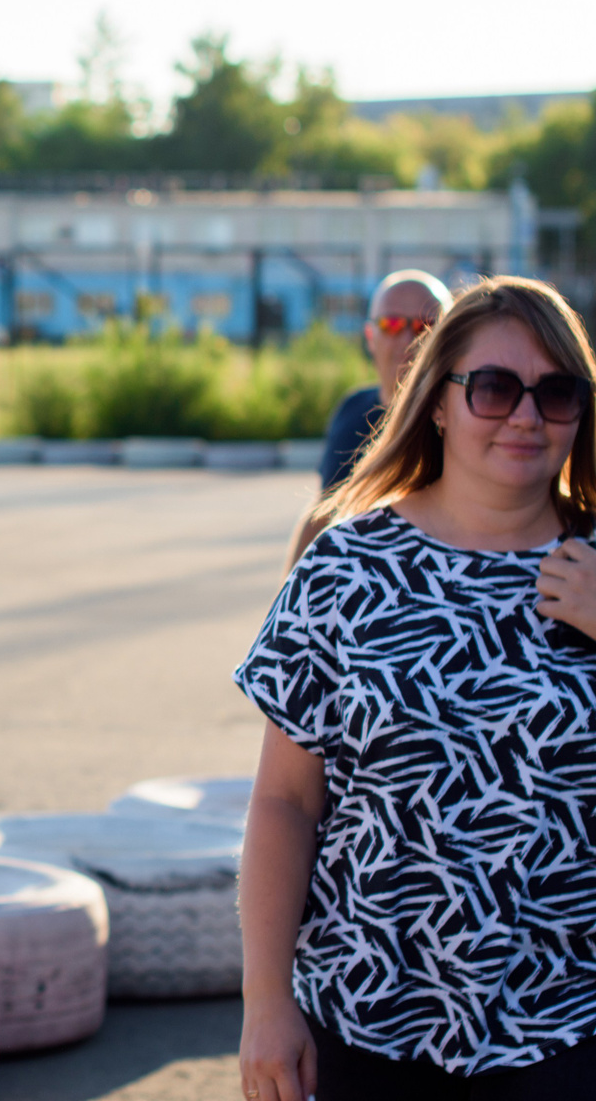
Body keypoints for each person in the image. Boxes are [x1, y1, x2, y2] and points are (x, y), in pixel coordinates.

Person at [234, 276, 596, 1101]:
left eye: (557, 392)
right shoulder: (346, 566)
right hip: (364, 1022)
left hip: (566, 1030)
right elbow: (284, 803)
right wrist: (265, 1002)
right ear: (436, 402)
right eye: (495, 388)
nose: (527, 417)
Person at [283, 269, 453, 568]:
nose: (408, 339)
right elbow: (323, 511)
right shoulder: (352, 410)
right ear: (370, 336)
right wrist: (289, 590)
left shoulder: (464, 423)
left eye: (426, 325)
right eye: (391, 324)